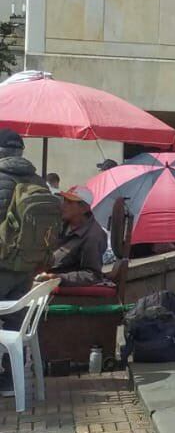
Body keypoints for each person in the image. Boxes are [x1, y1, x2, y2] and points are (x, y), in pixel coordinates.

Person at [0, 129, 52, 331]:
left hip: (3, 263)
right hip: (28, 266)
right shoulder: (39, 181)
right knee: (15, 325)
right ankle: (13, 361)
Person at [39, 187, 108, 288]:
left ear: (84, 208)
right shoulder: (61, 224)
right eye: (64, 201)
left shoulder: (93, 236)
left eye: (69, 203)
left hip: (57, 285)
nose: (63, 206)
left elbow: (93, 275)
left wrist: (57, 278)